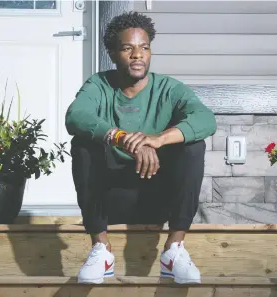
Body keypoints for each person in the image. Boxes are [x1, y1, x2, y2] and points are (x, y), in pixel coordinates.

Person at [65, 11, 217, 285]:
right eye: (128, 48)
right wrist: (120, 137)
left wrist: (157, 140)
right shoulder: (99, 85)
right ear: (112, 53)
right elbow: (76, 115)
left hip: (159, 197)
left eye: (144, 47)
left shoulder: (169, 88)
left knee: (193, 146)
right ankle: (101, 249)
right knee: (83, 144)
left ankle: (174, 250)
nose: (138, 55)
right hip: (111, 201)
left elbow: (205, 119)